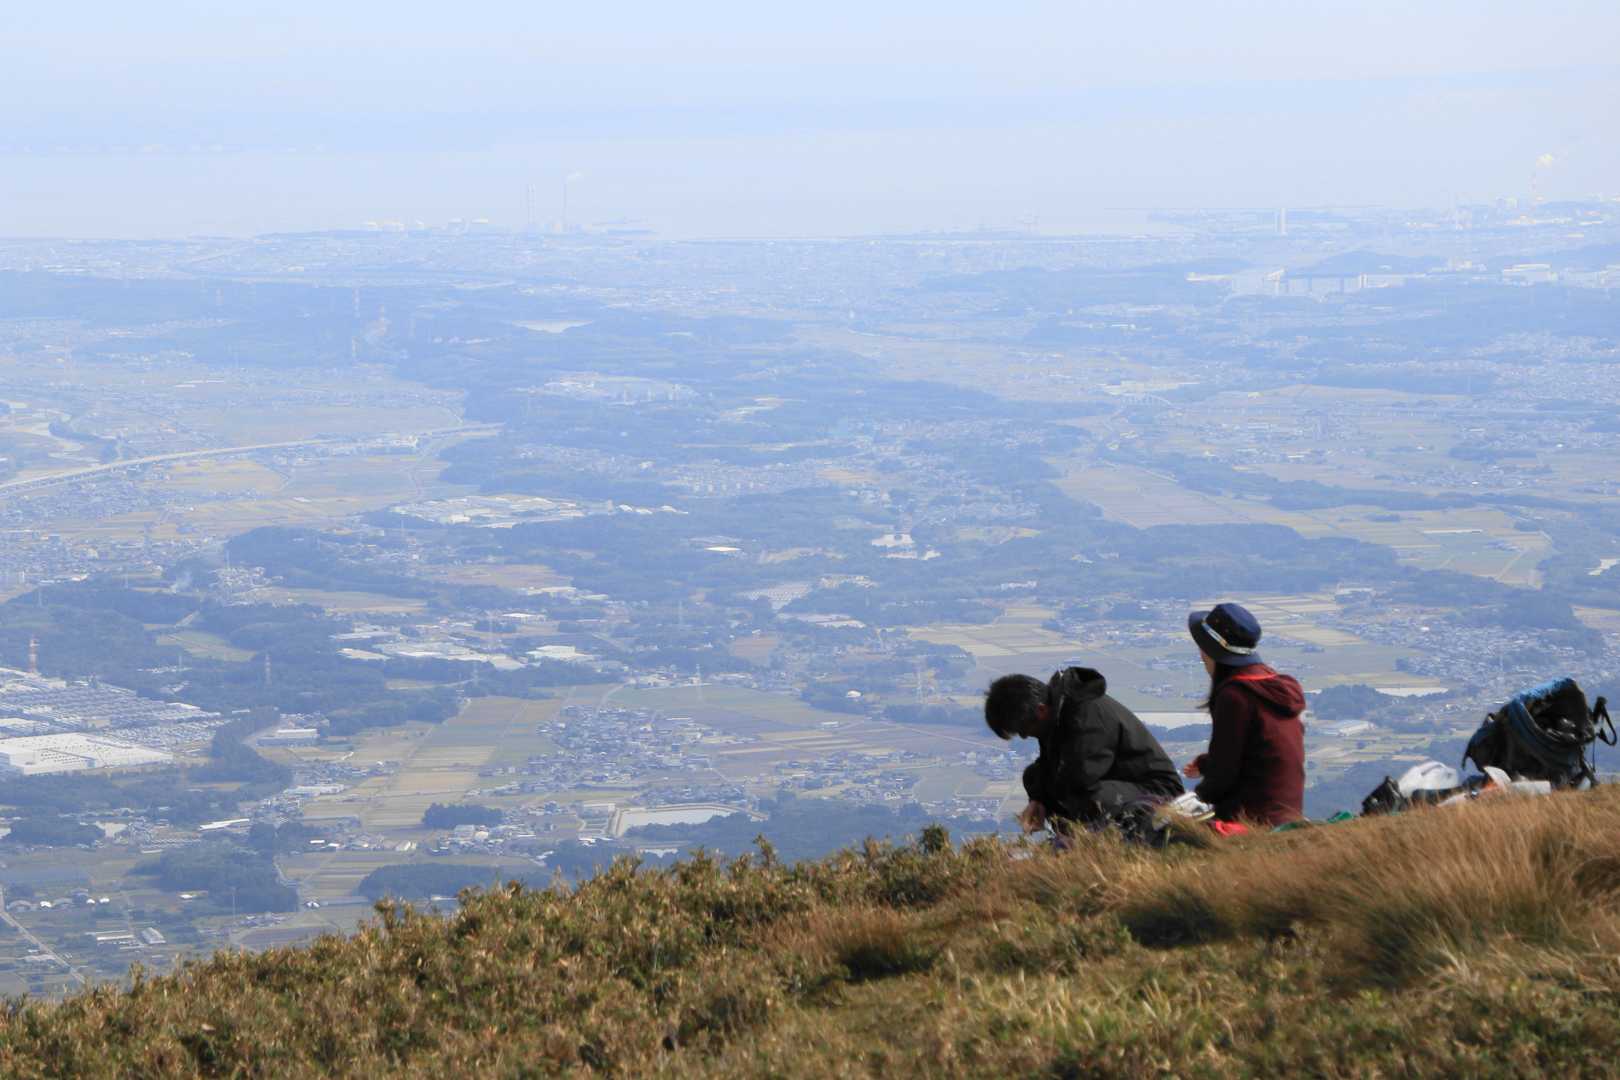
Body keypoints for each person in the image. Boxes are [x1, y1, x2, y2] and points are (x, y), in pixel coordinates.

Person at [985, 666, 1184, 835]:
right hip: (1119, 783)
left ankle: (1089, 842)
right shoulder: (1056, 715)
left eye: (1023, 729)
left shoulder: (1084, 713)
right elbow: (1048, 766)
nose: (1024, 736)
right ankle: (1072, 841)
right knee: (1035, 777)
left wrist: (1048, 796)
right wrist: (1038, 800)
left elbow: (1080, 776)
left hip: (1158, 790)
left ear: (1041, 710)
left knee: (1084, 798)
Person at [1183, 602, 1306, 826]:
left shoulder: (1235, 696)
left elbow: (1224, 774)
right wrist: (1206, 764)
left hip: (1252, 818)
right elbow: (1259, 751)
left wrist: (1196, 799)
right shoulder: (1272, 683)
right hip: (1289, 813)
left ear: (1209, 652)